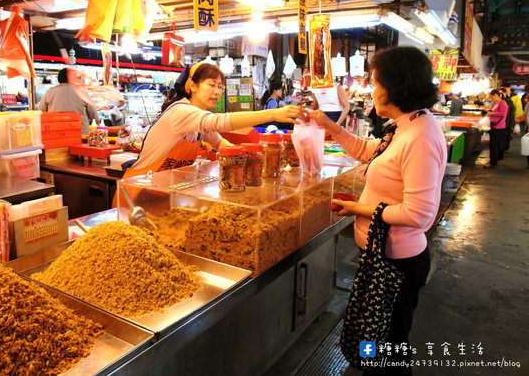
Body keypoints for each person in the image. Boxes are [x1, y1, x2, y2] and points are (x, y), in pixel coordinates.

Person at [310, 47, 447, 373]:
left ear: (395, 85)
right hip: (380, 254)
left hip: (397, 263)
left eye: (374, 81)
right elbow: (371, 151)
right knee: (376, 344)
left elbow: (420, 215)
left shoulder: (421, 136)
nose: (371, 88)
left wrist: (360, 208)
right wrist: (330, 127)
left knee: (388, 352)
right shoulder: (405, 125)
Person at [121, 62, 304, 179]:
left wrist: (258, 160)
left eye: (220, 87)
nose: (217, 92)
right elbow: (218, 121)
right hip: (138, 190)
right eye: (211, 85)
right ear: (193, 86)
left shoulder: (198, 120)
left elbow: (221, 144)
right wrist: (272, 114)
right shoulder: (182, 111)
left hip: (163, 188)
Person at [39, 68, 98, 134]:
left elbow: (41, 112)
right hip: (80, 134)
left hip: (57, 134)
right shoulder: (81, 92)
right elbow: (93, 114)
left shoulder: (50, 92)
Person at [484, 89, 508, 169]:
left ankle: (493, 162)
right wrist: (489, 111)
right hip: (494, 126)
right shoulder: (495, 103)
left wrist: (491, 113)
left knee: (494, 145)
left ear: (496, 95)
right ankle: (494, 160)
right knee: (494, 145)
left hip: (499, 127)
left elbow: (503, 114)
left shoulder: (503, 103)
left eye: (492, 97)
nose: (491, 99)